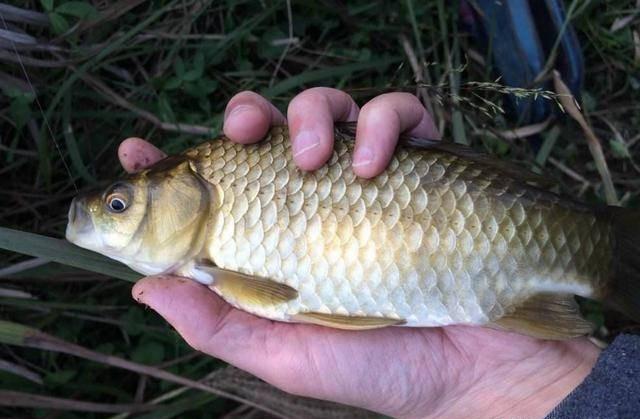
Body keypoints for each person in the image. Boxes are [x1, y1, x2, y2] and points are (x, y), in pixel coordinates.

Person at [118, 88, 639, 418]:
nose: (117, 215)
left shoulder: (223, 257)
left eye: (120, 206)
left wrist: (539, 388)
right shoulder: (212, 268)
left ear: (188, 192)